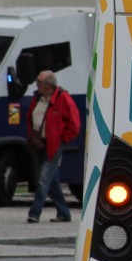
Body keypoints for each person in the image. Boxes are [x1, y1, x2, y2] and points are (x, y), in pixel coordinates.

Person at [26, 70, 80, 223]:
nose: (36, 85)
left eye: (39, 82)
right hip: (38, 144)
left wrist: (62, 139)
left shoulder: (63, 99)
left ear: (48, 86)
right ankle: (64, 213)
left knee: (43, 180)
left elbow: (74, 125)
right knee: (52, 181)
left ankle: (34, 212)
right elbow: (30, 117)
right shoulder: (37, 98)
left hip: (54, 146)